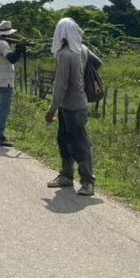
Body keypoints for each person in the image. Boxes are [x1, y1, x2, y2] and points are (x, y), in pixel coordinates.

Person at [43, 17, 101, 196]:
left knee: (77, 143)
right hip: (79, 103)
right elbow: (98, 63)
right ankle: (67, 175)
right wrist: (82, 78)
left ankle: (87, 181)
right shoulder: (82, 49)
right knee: (67, 140)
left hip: (70, 106)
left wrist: (52, 109)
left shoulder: (64, 54)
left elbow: (60, 86)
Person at [0, 21, 28, 147]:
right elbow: (12, 58)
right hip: (5, 80)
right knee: (3, 110)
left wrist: (19, 47)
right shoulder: (3, 44)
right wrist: (19, 47)